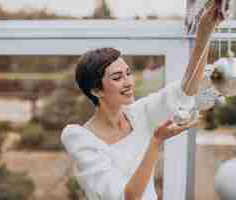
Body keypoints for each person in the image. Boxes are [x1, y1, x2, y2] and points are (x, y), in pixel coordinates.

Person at [61, 2, 224, 200]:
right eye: (117, 77)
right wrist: (156, 141)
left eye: (128, 73)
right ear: (96, 90)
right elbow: (126, 196)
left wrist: (203, 37)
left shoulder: (139, 114)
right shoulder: (81, 139)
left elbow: (185, 91)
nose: (128, 82)